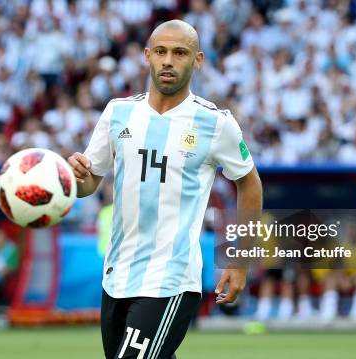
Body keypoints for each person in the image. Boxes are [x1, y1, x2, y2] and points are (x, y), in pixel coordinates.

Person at [68, 20, 262, 359]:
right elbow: (88, 183)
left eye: (180, 53)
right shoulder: (119, 112)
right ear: (147, 56)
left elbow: (249, 183)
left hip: (171, 277)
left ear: (197, 60)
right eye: (160, 51)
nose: (168, 60)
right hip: (117, 274)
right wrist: (72, 175)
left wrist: (240, 259)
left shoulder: (215, 123)